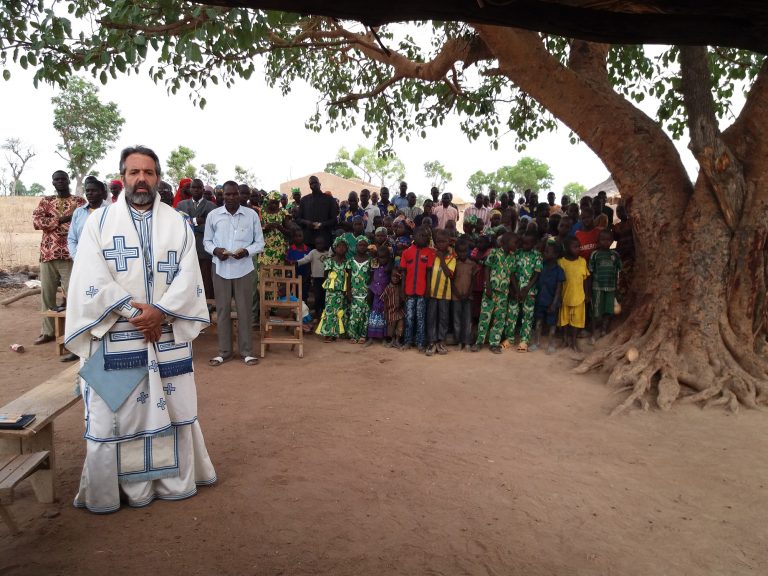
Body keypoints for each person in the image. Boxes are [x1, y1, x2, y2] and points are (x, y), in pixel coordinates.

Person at [63, 145, 216, 513]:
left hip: (166, 334)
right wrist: (137, 312)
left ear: (158, 178)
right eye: (134, 172)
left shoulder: (176, 223)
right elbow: (89, 276)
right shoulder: (99, 223)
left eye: (148, 172)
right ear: (122, 177)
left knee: (175, 409)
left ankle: (170, 481)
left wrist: (160, 312)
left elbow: (189, 275)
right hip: (117, 335)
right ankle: (113, 490)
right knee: (112, 415)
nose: (141, 179)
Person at [204, 180, 265, 366]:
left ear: (239, 194)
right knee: (222, 311)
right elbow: (206, 241)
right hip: (221, 268)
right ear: (222, 195)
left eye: (233, 194)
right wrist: (216, 251)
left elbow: (259, 242)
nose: (230, 197)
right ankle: (224, 352)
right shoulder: (214, 215)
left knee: (244, 310)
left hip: (244, 268)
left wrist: (246, 251)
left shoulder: (251, 215)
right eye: (226, 194)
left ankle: (246, 352)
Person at [33, 170, 86, 348]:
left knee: (74, 294)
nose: (60, 181)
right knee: (46, 295)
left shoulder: (79, 202)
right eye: (57, 179)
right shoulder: (46, 201)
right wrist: (64, 219)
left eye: (63, 178)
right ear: (53, 182)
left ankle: (73, 332)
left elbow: (81, 224)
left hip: (71, 254)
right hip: (48, 253)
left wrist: (53, 222)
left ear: (68, 180)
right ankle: (47, 332)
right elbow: (37, 222)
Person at [472, 232, 517, 354]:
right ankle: (479, 342)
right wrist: (488, 287)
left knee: (499, 319)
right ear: (506, 243)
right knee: (485, 317)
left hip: (504, 293)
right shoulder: (494, 253)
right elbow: (487, 268)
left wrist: (515, 289)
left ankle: (494, 343)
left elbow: (512, 274)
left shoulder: (512, 257)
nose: (516, 245)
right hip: (491, 291)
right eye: (514, 242)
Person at [177, 178, 217, 300]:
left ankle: (208, 303)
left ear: (203, 190)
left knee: (206, 279)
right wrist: (195, 222)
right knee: (187, 277)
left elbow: (211, 229)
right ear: (190, 189)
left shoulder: (211, 206)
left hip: (204, 249)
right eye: (193, 187)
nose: (195, 190)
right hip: (186, 248)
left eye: (198, 188)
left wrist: (190, 223)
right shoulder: (181, 205)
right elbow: (179, 225)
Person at [399, 227, 435, 352]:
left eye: (426, 236)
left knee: (420, 318)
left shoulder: (429, 252)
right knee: (409, 317)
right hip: (409, 292)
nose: (424, 238)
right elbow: (403, 274)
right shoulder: (406, 253)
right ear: (413, 237)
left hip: (421, 291)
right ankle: (407, 341)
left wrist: (428, 289)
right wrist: (402, 290)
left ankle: (420, 343)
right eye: (421, 235)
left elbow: (429, 273)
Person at [505, 232, 542, 352]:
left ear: (534, 244)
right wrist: (516, 290)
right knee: (512, 313)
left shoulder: (537, 255)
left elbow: (536, 274)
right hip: (516, 290)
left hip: (529, 291)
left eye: (528, 243)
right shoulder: (517, 254)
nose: (525, 245)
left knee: (528, 316)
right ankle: (509, 339)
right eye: (523, 242)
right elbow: (512, 272)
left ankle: (524, 341)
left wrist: (526, 289)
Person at [426, 229, 456, 356]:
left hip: (445, 294)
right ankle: (432, 341)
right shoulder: (432, 255)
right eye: (438, 242)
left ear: (449, 242)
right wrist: (427, 289)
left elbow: (450, 274)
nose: (441, 244)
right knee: (431, 317)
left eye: (444, 242)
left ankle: (441, 341)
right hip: (432, 293)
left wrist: (441, 258)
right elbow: (428, 272)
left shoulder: (452, 257)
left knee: (443, 318)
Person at [531, 240, 564, 353]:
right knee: (538, 322)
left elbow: (559, 289)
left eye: (547, 252)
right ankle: (536, 343)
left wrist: (554, 304)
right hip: (540, 300)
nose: (544, 253)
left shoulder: (559, 271)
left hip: (551, 302)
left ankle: (550, 344)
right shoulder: (541, 267)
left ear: (555, 255)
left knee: (552, 325)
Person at [588, 229, 622, 341]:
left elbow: (618, 272)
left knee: (608, 310)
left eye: (608, 240)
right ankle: (593, 333)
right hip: (597, 287)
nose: (605, 242)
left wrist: (617, 289)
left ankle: (604, 330)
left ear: (612, 241)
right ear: (598, 241)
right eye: (603, 240)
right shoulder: (595, 254)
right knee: (596, 311)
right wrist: (588, 291)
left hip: (611, 287)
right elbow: (590, 273)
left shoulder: (615, 255)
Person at [558, 236, 590, 351]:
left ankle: (574, 341)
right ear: (566, 248)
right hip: (565, 297)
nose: (578, 249)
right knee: (564, 320)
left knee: (576, 321)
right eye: (575, 247)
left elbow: (586, 279)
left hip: (579, 297)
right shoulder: (561, 262)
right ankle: (565, 339)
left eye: (579, 247)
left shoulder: (582, 261)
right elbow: (559, 282)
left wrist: (587, 294)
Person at [316, 237, 350, 342]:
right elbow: (326, 275)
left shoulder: (347, 262)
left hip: (342, 291)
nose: (341, 248)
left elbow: (348, 277)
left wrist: (347, 290)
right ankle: (329, 333)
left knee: (340, 311)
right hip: (331, 291)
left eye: (344, 246)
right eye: (339, 246)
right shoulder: (329, 261)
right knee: (330, 311)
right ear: (335, 248)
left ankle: (338, 333)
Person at [68, 176, 107, 260]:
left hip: (105, 259)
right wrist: (76, 256)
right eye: (87, 191)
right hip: (83, 258)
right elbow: (72, 238)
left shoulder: (111, 210)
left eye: (94, 191)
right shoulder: (79, 212)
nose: (89, 193)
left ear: (102, 193)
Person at [293, 235, 331, 321]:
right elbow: (305, 259)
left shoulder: (328, 253)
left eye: (321, 243)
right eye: (317, 244)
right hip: (316, 279)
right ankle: (317, 313)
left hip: (326, 279)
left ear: (325, 244)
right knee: (317, 296)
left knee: (324, 296)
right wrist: (297, 262)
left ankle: (324, 313)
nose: (319, 245)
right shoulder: (313, 252)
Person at [297, 175, 339, 249]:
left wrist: (322, 224)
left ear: (320, 184)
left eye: (315, 182)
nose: (314, 185)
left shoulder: (329, 199)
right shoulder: (304, 200)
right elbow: (298, 219)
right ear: (309, 186)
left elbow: (334, 220)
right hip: (308, 240)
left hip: (324, 240)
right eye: (311, 183)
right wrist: (307, 223)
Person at [451, 237, 477, 351]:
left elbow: (473, 281)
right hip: (456, 296)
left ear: (468, 251)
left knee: (467, 319)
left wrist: (468, 294)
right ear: (456, 251)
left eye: (465, 251)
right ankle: (459, 341)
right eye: (460, 251)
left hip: (468, 297)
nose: (463, 253)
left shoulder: (472, 264)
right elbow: (451, 281)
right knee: (457, 320)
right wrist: (456, 293)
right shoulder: (454, 263)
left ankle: (466, 341)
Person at [347, 237, 372, 343]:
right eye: (360, 245)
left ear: (367, 247)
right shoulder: (351, 260)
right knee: (354, 316)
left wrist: (371, 291)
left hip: (366, 292)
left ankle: (363, 335)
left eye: (364, 245)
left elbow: (372, 276)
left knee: (365, 316)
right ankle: (353, 335)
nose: (362, 247)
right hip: (354, 292)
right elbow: (348, 277)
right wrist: (348, 291)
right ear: (356, 246)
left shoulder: (371, 260)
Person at [366, 245, 391, 345]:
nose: (382, 259)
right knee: (374, 316)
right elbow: (372, 275)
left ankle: (383, 338)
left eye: (384, 257)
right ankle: (371, 337)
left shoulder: (389, 267)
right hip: (375, 292)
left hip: (385, 294)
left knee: (384, 316)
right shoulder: (375, 263)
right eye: (380, 257)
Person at [259, 191, 289, 266]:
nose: (275, 205)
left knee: (278, 274)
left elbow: (288, 232)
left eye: (277, 203)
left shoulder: (283, 212)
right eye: (272, 202)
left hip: (280, 249)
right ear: (267, 201)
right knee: (264, 273)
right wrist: (265, 229)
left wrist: (279, 227)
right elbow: (255, 231)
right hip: (265, 248)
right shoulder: (261, 212)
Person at [287, 228, 311, 303]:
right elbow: (288, 263)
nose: (298, 238)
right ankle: (295, 312)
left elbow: (310, 264)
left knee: (304, 295)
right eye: (296, 236)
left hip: (305, 278)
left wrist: (307, 276)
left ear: (303, 237)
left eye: (300, 236)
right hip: (294, 278)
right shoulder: (290, 250)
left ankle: (304, 311)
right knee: (295, 295)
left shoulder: (308, 250)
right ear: (293, 238)